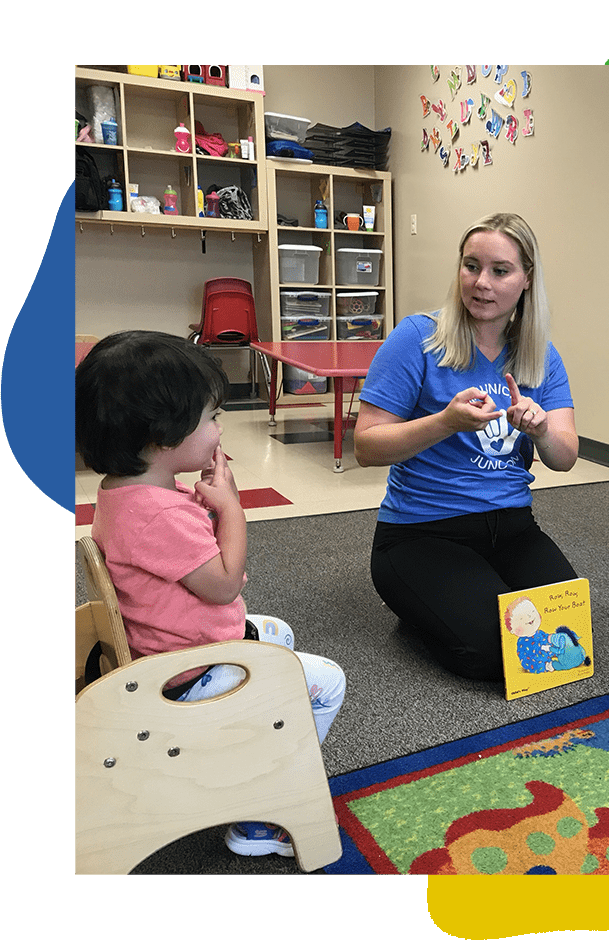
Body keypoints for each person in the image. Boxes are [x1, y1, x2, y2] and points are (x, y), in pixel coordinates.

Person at [75, 330, 345, 859]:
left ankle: (249, 738)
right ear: (164, 438)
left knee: (278, 633)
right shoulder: (161, 514)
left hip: (166, 650)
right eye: (211, 417)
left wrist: (205, 501)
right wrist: (233, 508)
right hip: (184, 672)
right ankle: (264, 804)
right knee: (327, 682)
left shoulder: (125, 490)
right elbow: (224, 586)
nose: (220, 428)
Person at [354, 212, 579, 680]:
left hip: (511, 528)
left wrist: (540, 430)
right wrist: (444, 423)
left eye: (500, 271)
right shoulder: (417, 337)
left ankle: (451, 603)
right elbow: (366, 446)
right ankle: (420, 613)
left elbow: (565, 457)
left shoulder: (540, 353)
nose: (481, 283)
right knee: (496, 655)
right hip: (422, 532)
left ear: (526, 280)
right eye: (471, 266)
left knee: (569, 636)